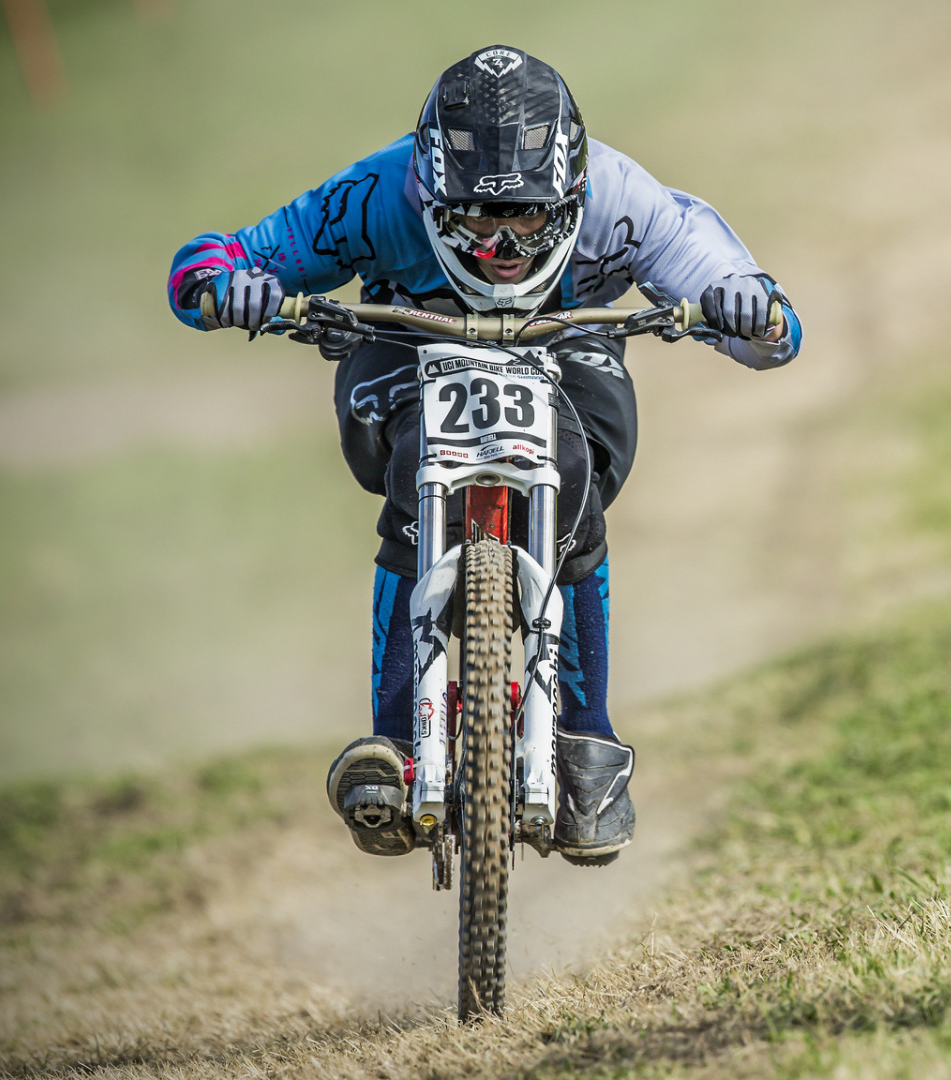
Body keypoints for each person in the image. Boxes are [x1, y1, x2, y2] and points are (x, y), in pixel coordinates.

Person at [165, 45, 800, 864]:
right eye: (475, 218)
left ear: (571, 194)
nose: (502, 244)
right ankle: (394, 740)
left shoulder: (621, 197)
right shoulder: (371, 196)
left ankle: (588, 739)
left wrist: (747, 307)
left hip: (565, 344)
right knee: (407, 468)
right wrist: (229, 286)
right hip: (407, 341)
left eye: (527, 217)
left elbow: (768, 323)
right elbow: (211, 261)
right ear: (428, 193)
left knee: (577, 483)